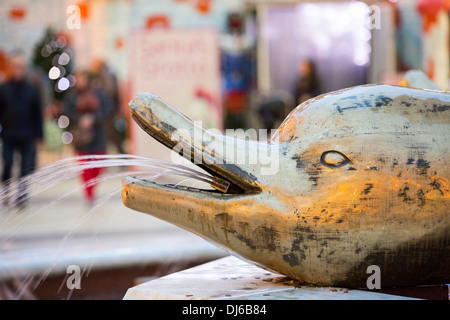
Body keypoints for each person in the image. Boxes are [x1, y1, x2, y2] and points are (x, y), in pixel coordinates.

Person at [0, 52, 43, 208]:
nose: (18, 69)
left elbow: (37, 114)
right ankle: (5, 192)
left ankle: (22, 196)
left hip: (27, 134)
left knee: (26, 166)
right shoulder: (3, 88)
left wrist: (39, 135)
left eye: (21, 66)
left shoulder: (31, 89)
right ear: (11, 68)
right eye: (15, 66)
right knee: (8, 163)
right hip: (9, 134)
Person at [64, 70, 111, 204]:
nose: (81, 82)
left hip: (98, 136)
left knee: (99, 166)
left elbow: (107, 110)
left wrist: (93, 119)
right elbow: (68, 112)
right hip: (81, 138)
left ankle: (92, 187)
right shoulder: (72, 97)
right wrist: (80, 119)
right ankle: (89, 192)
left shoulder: (99, 93)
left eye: (83, 79)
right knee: (85, 167)